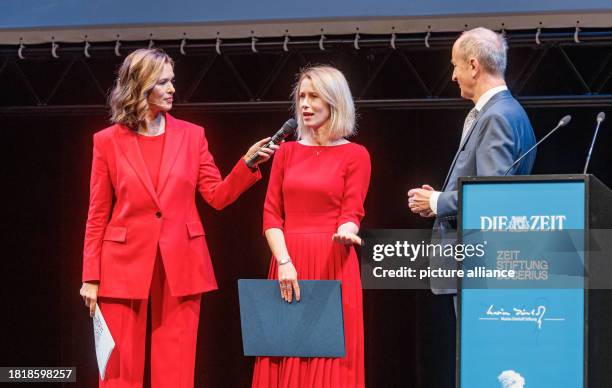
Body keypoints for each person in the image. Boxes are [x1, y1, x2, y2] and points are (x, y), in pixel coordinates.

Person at [79, 48, 277, 388]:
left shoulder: (192, 135)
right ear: (140, 87)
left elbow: (216, 196)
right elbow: (97, 214)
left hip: (182, 261)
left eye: (172, 81)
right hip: (122, 264)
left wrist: (247, 164)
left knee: (176, 368)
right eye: (163, 82)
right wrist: (90, 277)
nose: (172, 89)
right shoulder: (107, 142)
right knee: (117, 370)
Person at [252, 65, 371, 388]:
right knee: (285, 356)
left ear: (334, 102)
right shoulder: (286, 153)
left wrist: (348, 229)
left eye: (314, 96)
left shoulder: (356, 155)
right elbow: (271, 215)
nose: (304, 104)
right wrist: (284, 262)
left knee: (329, 363)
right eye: (301, 96)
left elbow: (352, 211)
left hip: (333, 261)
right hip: (288, 260)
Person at [407, 27, 536, 295]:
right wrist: (442, 201)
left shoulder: (496, 117)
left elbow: (491, 196)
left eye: (456, 66)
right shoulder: (509, 111)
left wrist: (437, 201)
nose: (453, 75)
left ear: (474, 66)